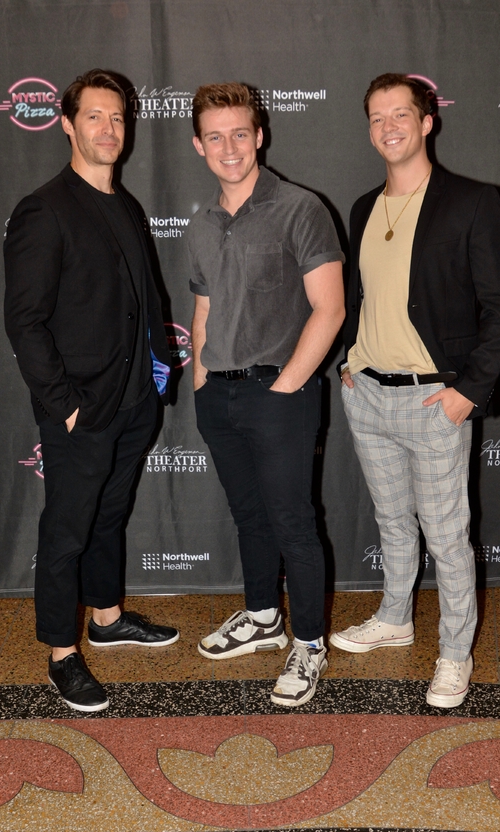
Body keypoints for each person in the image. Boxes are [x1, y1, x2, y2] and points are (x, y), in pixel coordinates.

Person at [330, 73, 500, 707]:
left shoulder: (471, 201)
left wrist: (469, 389)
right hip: (368, 394)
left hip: (436, 398)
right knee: (391, 521)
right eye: (377, 116)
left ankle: (456, 654)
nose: (389, 126)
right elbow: (362, 298)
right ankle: (395, 617)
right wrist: (349, 365)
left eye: (400, 114)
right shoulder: (362, 208)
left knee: (446, 535)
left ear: (427, 120)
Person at [4, 69, 179, 713]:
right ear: (67, 124)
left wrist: (160, 372)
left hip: (134, 401)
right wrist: (65, 404)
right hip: (82, 407)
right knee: (69, 527)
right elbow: (24, 320)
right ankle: (61, 652)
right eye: (95, 117)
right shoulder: (45, 209)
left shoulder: (125, 204)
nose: (109, 129)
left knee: (110, 514)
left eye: (118, 118)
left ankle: (106, 619)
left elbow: (140, 298)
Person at [187, 83, 345, 707]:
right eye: (216, 137)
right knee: (249, 516)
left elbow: (329, 309)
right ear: (199, 145)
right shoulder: (200, 223)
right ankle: (261, 616)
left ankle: (308, 641)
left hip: (280, 392)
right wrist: (200, 377)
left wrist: (285, 388)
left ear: (261, 136)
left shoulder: (300, 208)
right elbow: (201, 309)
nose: (230, 148)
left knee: (293, 524)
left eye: (240, 134)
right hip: (217, 395)